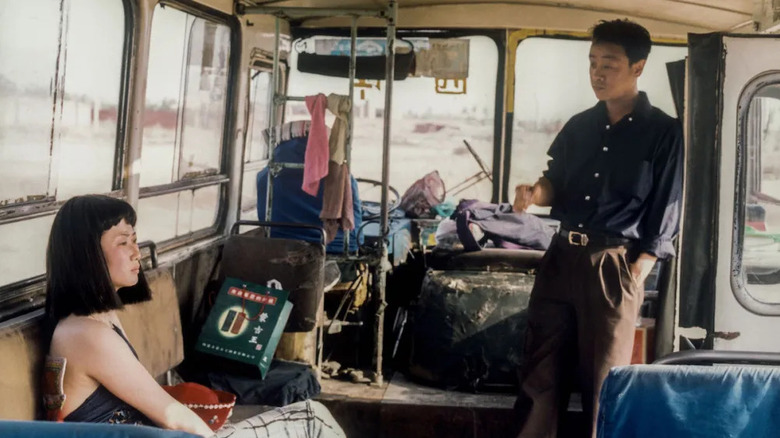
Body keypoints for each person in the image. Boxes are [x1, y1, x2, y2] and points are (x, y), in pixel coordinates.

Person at [43, 195, 345, 438]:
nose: (137, 252)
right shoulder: (86, 334)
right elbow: (170, 416)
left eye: (135, 239)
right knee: (311, 418)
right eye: (123, 242)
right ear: (88, 255)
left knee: (310, 416)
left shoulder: (98, 319)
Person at [512, 19, 683, 438]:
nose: (598, 73)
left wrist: (639, 266)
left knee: (604, 380)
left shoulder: (663, 132)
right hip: (560, 258)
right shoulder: (579, 125)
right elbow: (556, 181)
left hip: (614, 264)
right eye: (592, 63)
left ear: (638, 67)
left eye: (609, 63)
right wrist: (535, 193)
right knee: (540, 374)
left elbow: (668, 202)